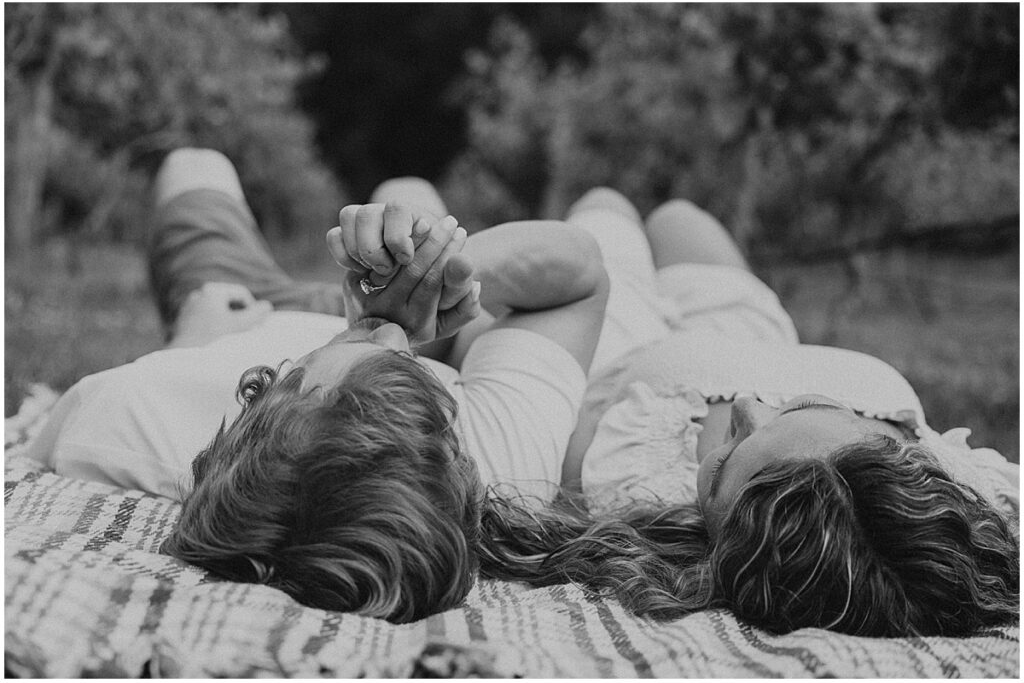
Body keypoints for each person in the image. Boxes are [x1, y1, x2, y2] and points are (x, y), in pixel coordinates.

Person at [27, 147, 609, 624]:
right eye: (409, 375)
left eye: (356, 350)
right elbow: (580, 271)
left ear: (264, 396)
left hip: (240, 309)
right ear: (445, 443)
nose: (391, 341)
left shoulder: (129, 419)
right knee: (410, 184)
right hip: (440, 327)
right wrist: (436, 277)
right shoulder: (496, 466)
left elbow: (63, 429)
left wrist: (189, 342)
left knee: (195, 164)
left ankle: (403, 231)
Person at [472, 189, 1020, 637]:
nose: (747, 404)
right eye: (803, 405)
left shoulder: (628, 483)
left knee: (605, 204)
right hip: (748, 325)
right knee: (678, 215)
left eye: (721, 463)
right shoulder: (949, 493)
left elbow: (562, 320)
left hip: (623, 332)